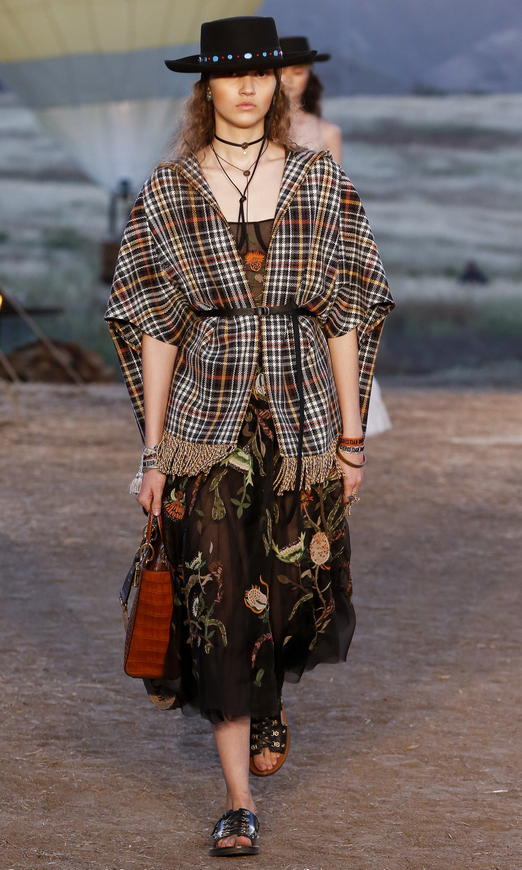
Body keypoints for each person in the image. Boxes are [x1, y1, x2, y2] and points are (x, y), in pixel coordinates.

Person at [105, 16, 393, 859]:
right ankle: (239, 799)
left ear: (277, 84)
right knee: (220, 601)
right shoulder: (170, 190)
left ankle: (269, 700)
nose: (245, 87)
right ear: (207, 87)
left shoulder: (319, 179)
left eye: (259, 73)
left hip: (304, 419)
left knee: (296, 587)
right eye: (229, 74)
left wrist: (352, 441)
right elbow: (153, 324)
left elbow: (348, 311)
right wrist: (153, 451)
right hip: (207, 424)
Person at [280, 36, 392, 436]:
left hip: (312, 252)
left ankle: (335, 430)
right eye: (280, 71)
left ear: (310, 75)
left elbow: (337, 204)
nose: (289, 79)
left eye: (298, 71)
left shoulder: (327, 133)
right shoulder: (251, 132)